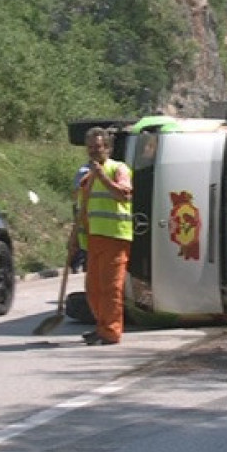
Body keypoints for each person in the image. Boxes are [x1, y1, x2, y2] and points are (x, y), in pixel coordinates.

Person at [69, 127, 133, 345]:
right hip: (94, 238)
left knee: (111, 287)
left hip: (115, 237)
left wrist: (103, 176)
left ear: (108, 147)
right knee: (94, 289)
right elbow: (81, 212)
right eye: (90, 148)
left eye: (98, 147)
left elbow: (124, 194)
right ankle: (101, 325)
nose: (94, 152)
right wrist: (74, 239)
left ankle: (111, 332)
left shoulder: (118, 168)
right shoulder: (86, 177)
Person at [70, 162, 90, 274]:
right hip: (82, 210)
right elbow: (77, 192)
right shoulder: (85, 171)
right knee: (79, 238)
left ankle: (79, 262)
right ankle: (77, 263)